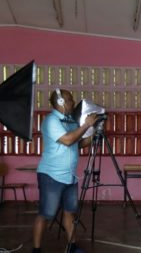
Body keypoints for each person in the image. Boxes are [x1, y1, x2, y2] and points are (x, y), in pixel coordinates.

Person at [32, 88, 97, 253]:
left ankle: (72, 246)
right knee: (46, 214)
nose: (73, 102)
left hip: (70, 176)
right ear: (60, 102)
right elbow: (68, 140)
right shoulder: (51, 121)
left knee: (70, 212)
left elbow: (79, 143)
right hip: (51, 175)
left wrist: (91, 132)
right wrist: (86, 125)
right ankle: (36, 249)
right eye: (69, 100)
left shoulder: (70, 121)